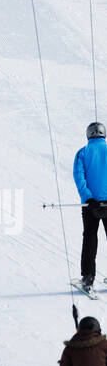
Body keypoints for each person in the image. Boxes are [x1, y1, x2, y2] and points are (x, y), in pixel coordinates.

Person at [72, 122, 107, 292]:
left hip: (90, 205)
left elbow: (79, 177)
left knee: (90, 239)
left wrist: (89, 197)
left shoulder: (83, 153)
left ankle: (88, 278)